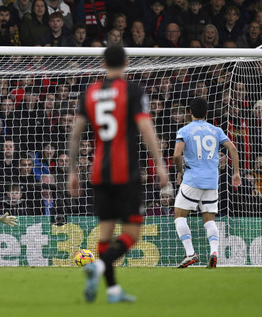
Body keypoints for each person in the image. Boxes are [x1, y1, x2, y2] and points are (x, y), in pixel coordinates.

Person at [68, 45, 168, 303]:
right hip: (126, 173)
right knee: (132, 234)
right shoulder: (132, 91)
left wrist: (72, 171)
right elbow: (146, 128)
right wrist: (159, 162)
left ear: (103, 63)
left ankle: (112, 291)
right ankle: (99, 267)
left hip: (99, 173)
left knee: (105, 235)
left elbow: (75, 134)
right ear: (126, 62)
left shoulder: (89, 92)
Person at [173, 97, 241, 269]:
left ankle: (190, 254)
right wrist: (236, 173)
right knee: (209, 220)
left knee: (179, 216)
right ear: (207, 113)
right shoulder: (216, 130)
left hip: (192, 179)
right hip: (212, 181)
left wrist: (180, 171)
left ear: (190, 112)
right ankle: (214, 252)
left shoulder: (185, 130)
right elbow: (232, 148)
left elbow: (176, 155)